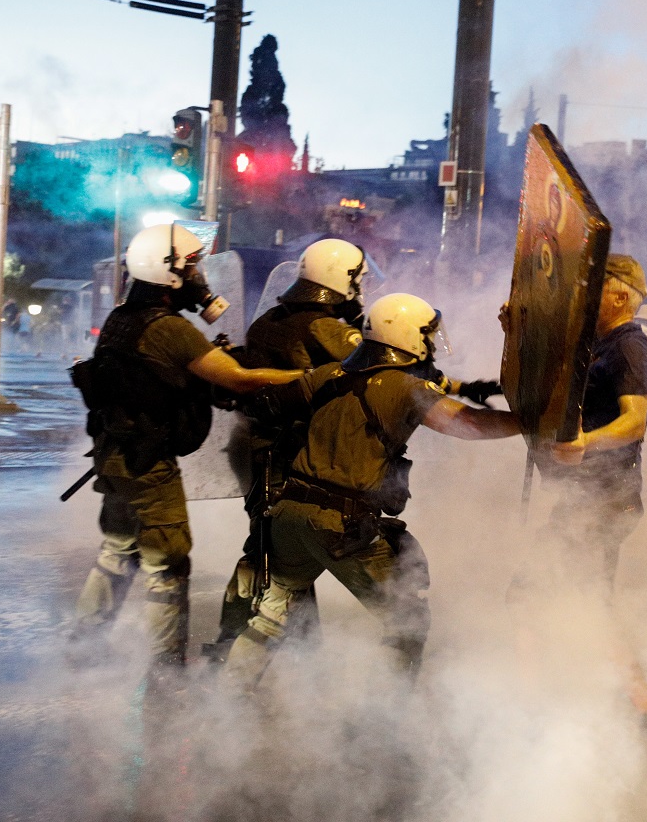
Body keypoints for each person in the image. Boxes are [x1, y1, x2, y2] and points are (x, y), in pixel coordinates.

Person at [214, 238, 502, 651]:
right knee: (278, 560)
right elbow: (387, 364)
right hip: (294, 456)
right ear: (341, 279)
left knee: (272, 551)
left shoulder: (270, 321)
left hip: (258, 449)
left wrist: (457, 386)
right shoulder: (326, 328)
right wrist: (458, 387)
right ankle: (277, 646)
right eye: (357, 280)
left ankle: (253, 646)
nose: (360, 289)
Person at [68, 224, 302, 673]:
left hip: (113, 456)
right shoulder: (171, 329)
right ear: (168, 272)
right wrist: (318, 377)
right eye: (192, 267)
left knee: (118, 551)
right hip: (148, 465)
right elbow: (239, 379)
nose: (199, 276)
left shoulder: (122, 318)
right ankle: (167, 667)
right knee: (168, 567)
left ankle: (83, 644)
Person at [525, 253, 647, 724]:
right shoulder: (599, 345)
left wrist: (587, 441)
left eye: (594, 287)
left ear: (620, 296)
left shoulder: (631, 349)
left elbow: (634, 421)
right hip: (586, 501)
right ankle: (621, 705)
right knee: (565, 600)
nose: (582, 295)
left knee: (560, 601)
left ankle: (645, 713)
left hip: (606, 501)